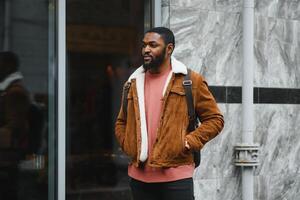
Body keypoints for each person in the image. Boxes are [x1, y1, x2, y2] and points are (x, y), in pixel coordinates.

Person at [115, 27, 224, 200]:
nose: (146, 50)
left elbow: (215, 119)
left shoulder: (190, 80)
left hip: (176, 177)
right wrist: (127, 143)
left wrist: (188, 142)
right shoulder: (133, 82)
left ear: (169, 49)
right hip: (139, 178)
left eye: (153, 45)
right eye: (144, 45)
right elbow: (122, 121)